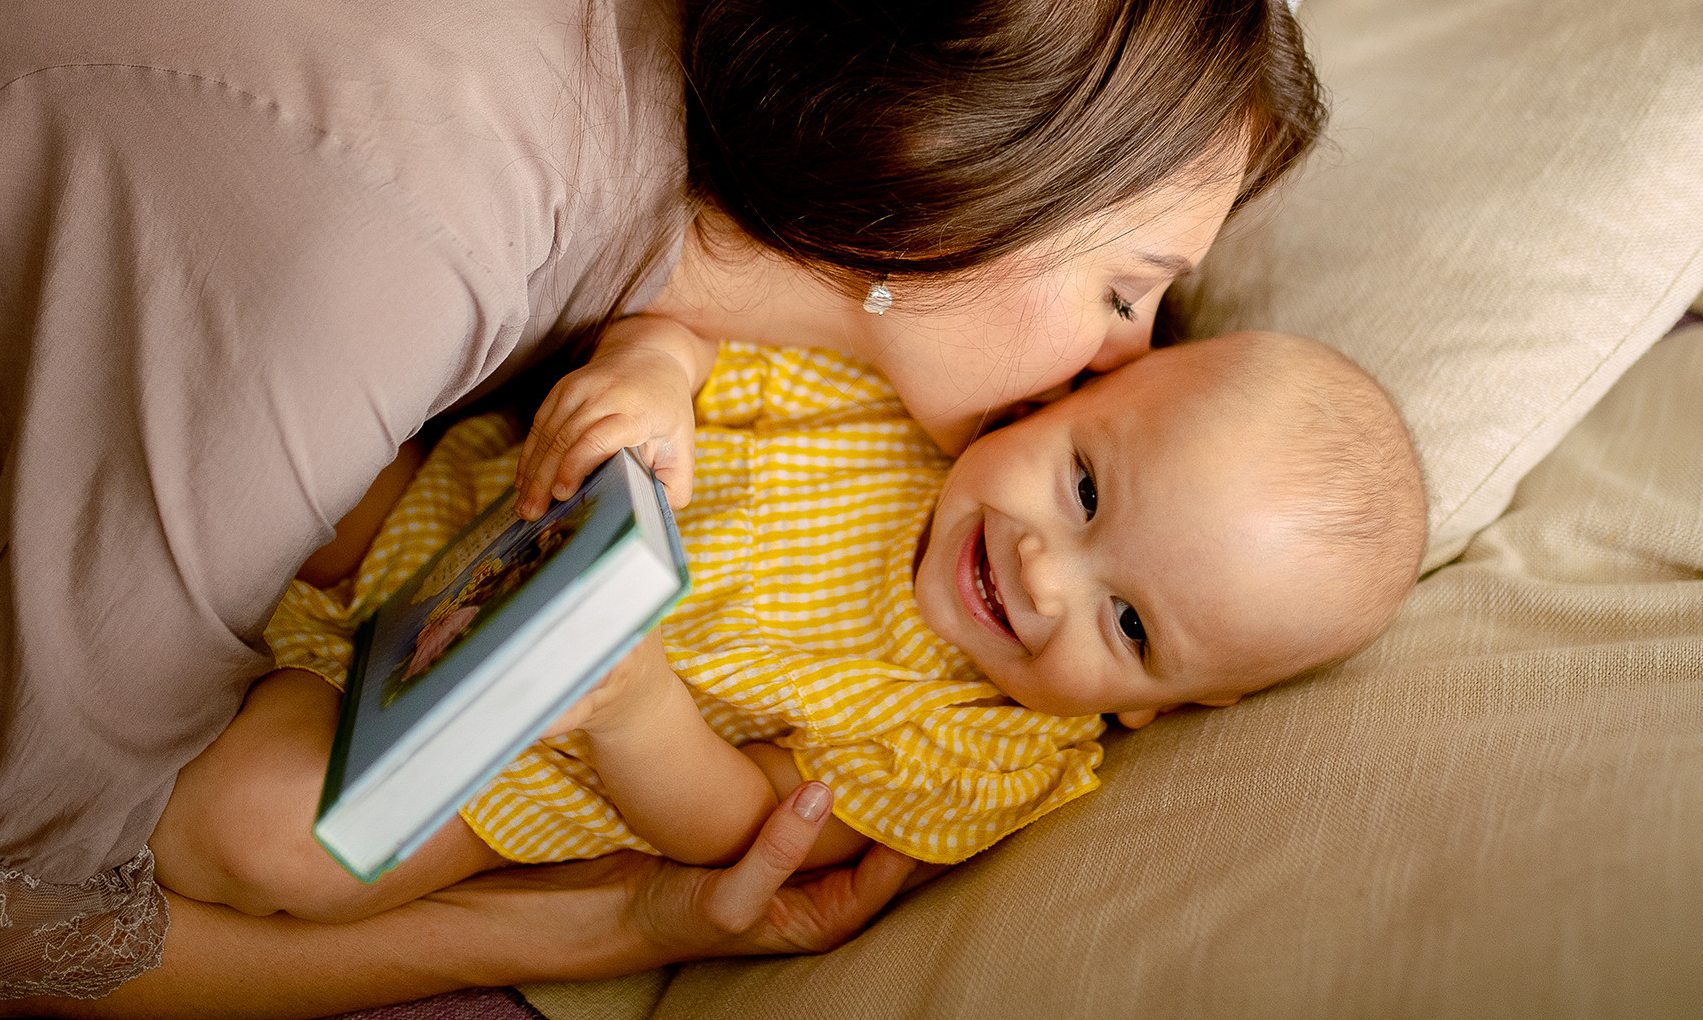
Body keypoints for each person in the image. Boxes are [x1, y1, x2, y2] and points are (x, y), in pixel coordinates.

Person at [0, 0, 1322, 1007]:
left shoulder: (682, 76)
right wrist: (591, 931)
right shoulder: (407, 227)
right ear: (938, 183)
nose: (1125, 360)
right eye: (1127, 291)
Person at [147, 328, 1429, 921]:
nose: (1044, 576)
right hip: (447, 511)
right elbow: (694, 340)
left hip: (490, 762)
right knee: (265, 439)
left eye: (1131, 624)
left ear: (1155, 703)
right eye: (1084, 487)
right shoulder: (892, 409)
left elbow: (743, 827)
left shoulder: (984, 746)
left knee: (264, 841)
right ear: (1074, 389)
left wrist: (630, 703)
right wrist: (651, 372)